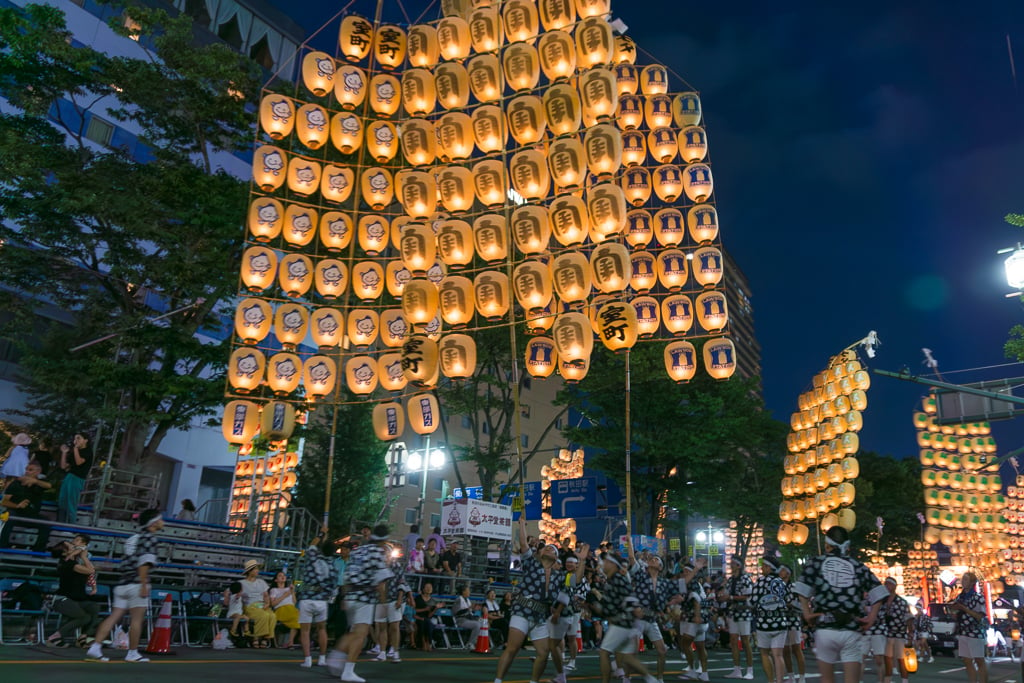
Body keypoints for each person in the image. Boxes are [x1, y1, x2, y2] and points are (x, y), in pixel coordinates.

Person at [494, 515, 586, 683]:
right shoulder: (531, 564)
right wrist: (522, 525)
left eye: (553, 549)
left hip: (541, 616)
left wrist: (583, 560)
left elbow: (576, 581)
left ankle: (534, 681)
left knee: (543, 653)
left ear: (557, 558)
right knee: (512, 648)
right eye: (547, 548)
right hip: (522, 611)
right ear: (541, 553)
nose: (549, 549)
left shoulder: (560, 575)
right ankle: (498, 680)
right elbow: (523, 545)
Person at [793, 525, 888, 683]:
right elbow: (879, 592)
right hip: (851, 627)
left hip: (825, 627)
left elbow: (802, 590)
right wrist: (871, 617)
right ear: (847, 546)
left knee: (827, 680)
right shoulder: (858, 566)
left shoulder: (816, 563)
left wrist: (807, 613)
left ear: (827, 545)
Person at [87, 508, 165, 662]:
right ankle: (132, 653)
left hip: (122, 583)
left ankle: (95, 647)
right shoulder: (150, 539)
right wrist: (143, 584)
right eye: (160, 519)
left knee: (114, 616)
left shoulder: (133, 538)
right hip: (136, 583)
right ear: (153, 523)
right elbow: (144, 563)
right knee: (136, 620)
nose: (163, 522)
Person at [328, 523, 394, 683]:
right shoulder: (378, 553)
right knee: (360, 635)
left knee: (352, 632)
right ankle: (348, 670)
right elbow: (380, 583)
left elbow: (346, 575)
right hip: (365, 598)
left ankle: (336, 655)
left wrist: (344, 596)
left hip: (350, 595)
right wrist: (384, 605)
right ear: (384, 540)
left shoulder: (358, 551)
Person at [591, 551, 660, 683]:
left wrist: (599, 607)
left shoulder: (617, 579)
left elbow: (630, 598)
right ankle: (650, 679)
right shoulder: (613, 580)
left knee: (604, 652)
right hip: (626, 623)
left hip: (621, 623)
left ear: (612, 564)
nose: (603, 564)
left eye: (606, 562)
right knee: (628, 658)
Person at [628, 544, 683, 682]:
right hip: (638, 618)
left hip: (651, 619)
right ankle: (626, 678)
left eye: (656, 559)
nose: (653, 559)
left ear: (660, 567)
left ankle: (659, 678)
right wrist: (628, 539)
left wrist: (675, 599)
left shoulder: (663, 582)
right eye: (652, 558)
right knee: (632, 651)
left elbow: (678, 590)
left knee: (662, 651)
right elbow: (631, 557)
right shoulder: (641, 574)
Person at [45, 535, 99, 648]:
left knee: (94, 607)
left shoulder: (76, 561)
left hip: (75, 598)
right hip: (62, 599)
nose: (73, 545)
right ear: (65, 553)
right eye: (70, 546)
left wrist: (82, 554)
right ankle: (54, 638)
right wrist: (85, 557)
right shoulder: (68, 564)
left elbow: (84, 550)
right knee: (84, 617)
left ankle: (83, 638)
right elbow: (91, 570)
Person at [298, 532, 337, 669]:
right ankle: (322, 658)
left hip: (307, 597)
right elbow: (333, 586)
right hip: (322, 600)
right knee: (322, 629)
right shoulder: (332, 566)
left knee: (305, 631)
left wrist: (322, 533)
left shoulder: (313, 556)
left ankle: (307, 659)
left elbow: (312, 544)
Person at [751, 556, 791, 683]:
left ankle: (770, 681)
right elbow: (788, 600)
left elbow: (753, 601)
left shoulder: (760, 582)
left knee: (764, 653)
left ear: (768, 567)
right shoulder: (780, 582)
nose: (761, 568)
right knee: (778, 655)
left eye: (763, 565)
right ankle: (780, 681)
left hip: (763, 623)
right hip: (780, 622)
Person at [0, 460, 52, 551]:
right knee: (9, 517)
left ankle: (38, 552)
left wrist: (35, 481)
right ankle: (2, 547)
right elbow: (4, 502)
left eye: (30, 470)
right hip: (16, 513)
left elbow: (48, 485)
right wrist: (17, 506)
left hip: (32, 515)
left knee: (46, 523)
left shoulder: (39, 484)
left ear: (38, 472)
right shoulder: (16, 484)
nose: (27, 471)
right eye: (26, 469)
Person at [948, 571, 987, 683]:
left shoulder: (978, 597)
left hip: (975, 632)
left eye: (966, 580)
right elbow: (957, 613)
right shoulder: (960, 596)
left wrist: (964, 609)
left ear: (972, 583)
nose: (963, 582)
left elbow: (980, 616)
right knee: (967, 661)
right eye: (962, 579)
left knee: (979, 660)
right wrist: (953, 611)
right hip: (963, 632)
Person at [373, 544, 409, 662]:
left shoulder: (396, 566)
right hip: (380, 600)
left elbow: (402, 583)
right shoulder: (378, 566)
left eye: (385, 552)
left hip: (393, 598)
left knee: (394, 627)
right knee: (382, 627)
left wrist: (399, 599)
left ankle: (395, 652)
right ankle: (382, 652)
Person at [724, 556, 755, 679]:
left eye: (733, 564)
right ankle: (737, 669)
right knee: (733, 640)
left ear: (739, 566)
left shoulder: (746, 578)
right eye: (731, 563)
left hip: (744, 613)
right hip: (733, 612)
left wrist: (730, 598)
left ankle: (750, 670)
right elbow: (727, 594)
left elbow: (747, 595)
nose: (731, 566)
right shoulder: (730, 580)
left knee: (745, 641)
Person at [678, 560, 709, 680]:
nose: (684, 573)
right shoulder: (695, 584)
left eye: (687, 571)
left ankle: (692, 670)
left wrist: (697, 616)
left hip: (694, 619)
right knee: (700, 646)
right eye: (683, 571)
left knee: (685, 644)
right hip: (702, 619)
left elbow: (696, 601)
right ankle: (705, 674)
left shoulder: (692, 584)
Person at [879, 577, 913, 683]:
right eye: (885, 584)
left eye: (889, 584)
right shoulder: (882, 601)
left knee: (901, 659)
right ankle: (887, 680)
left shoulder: (902, 602)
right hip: (886, 633)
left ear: (894, 586)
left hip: (899, 633)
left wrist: (910, 632)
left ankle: (904, 680)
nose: (887, 586)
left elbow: (909, 618)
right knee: (887, 659)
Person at [778, 563, 807, 683]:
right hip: (782, 619)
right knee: (785, 650)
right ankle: (790, 676)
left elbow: (799, 604)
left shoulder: (794, 587)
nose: (780, 572)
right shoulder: (778, 587)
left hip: (793, 619)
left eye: (782, 570)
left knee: (796, 648)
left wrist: (785, 604)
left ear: (788, 573)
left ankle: (802, 677)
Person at [239, 559, 277, 648]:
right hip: (250, 605)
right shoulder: (241, 583)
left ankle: (266, 638)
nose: (257, 571)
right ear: (249, 571)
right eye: (255, 569)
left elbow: (266, 595)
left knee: (272, 616)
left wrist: (267, 603)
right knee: (263, 615)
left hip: (262, 604)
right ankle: (256, 637)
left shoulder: (261, 582)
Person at [57, 433, 91, 523]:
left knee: (71, 502)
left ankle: (70, 526)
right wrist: (64, 453)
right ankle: (60, 523)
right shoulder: (74, 452)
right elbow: (64, 466)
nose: (76, 441)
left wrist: (75, 448)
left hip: (77, 478)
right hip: (69, 476)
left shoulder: (87, 451)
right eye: (75, 439)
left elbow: (79, 462)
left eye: (79, 438)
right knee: (62, 500)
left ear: (85, 440)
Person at [329, 540, 352, 639]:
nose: (343, 551)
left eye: (345, 549)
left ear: (350, 551)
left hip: (348, 591)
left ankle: (343, 636)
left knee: (344, 615)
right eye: (342, 549)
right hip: (336, 590)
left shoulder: (353, 563)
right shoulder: (336, 561)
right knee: (334, 613)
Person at [269, 570, 299, 648]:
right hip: (281, 609)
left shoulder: (289, 589)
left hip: (291, 608)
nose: (283, 577)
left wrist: (292, 592)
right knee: (296, 616)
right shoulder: (274, 590)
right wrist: (284, 596)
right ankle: (290, 642)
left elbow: (294, 602)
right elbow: (272, 604)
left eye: (284, 575)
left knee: (299, 617)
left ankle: (290, 642)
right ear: (276, 580)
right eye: (280, 576)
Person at [414, 581, 442, 651]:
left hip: (426, 618)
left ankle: (428, 643)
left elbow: (429, 615)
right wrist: (424, 609)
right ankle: (423, 643)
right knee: (422, 622)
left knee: (428, 623)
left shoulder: (433, 601)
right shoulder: (418, 598)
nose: (429, 589)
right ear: (423, 589)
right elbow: (413, 610)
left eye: (430, 587)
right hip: (416, 617)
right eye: (427, 587)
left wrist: (436, 608)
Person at [454, 584, 482, 650]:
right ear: (463, 592)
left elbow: (470, 612)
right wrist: (469, 608)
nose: (469, 592)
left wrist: (474, 609)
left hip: (469, 619)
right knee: (477, 625)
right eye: (468, 590)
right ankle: (470, 643)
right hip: (461, 620)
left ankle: (478, 642)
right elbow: (456, 612)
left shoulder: (468, 600)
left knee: (483, 622)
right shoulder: (459, 600)